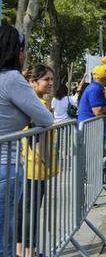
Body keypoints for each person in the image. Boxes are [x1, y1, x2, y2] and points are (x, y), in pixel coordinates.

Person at [0, 25, 53, 257]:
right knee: (5, 238)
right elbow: (45, 118)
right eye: (23, 50)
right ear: (15, 51)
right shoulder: (12, 79)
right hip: (6, 167)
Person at [17, 64, 56, 256]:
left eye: (51, 79)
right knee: (29, 213)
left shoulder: (35, 101)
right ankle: (27, 252)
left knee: (26, 212)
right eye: (46, 79)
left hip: (32, 165)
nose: (50, 83)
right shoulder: (36, 103)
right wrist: (47, 162)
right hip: (34, 167)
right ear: (33, 82)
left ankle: (23, 251)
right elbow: (36, 138)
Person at [77, 65, 106, 183]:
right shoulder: (95, 89)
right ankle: (92, 172)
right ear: (105, 77)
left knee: (100, 156)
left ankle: (93, 175)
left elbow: (103, 110)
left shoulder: (96, 88)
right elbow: (98, 112)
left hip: (93, 129)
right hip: (91, 130)